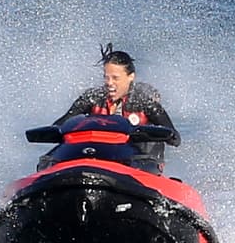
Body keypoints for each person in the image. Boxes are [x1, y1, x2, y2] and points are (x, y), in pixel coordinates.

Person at [46, 43, 180, 171]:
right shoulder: (92, 98)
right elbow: (62, 123)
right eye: (106, 78)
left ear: (130, 77)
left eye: (115, 78)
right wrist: (51, 132)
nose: (109, 83)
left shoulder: (146, 103)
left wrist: (148, 134)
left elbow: (175, 138)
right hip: (99, 161)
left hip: (140, 166)